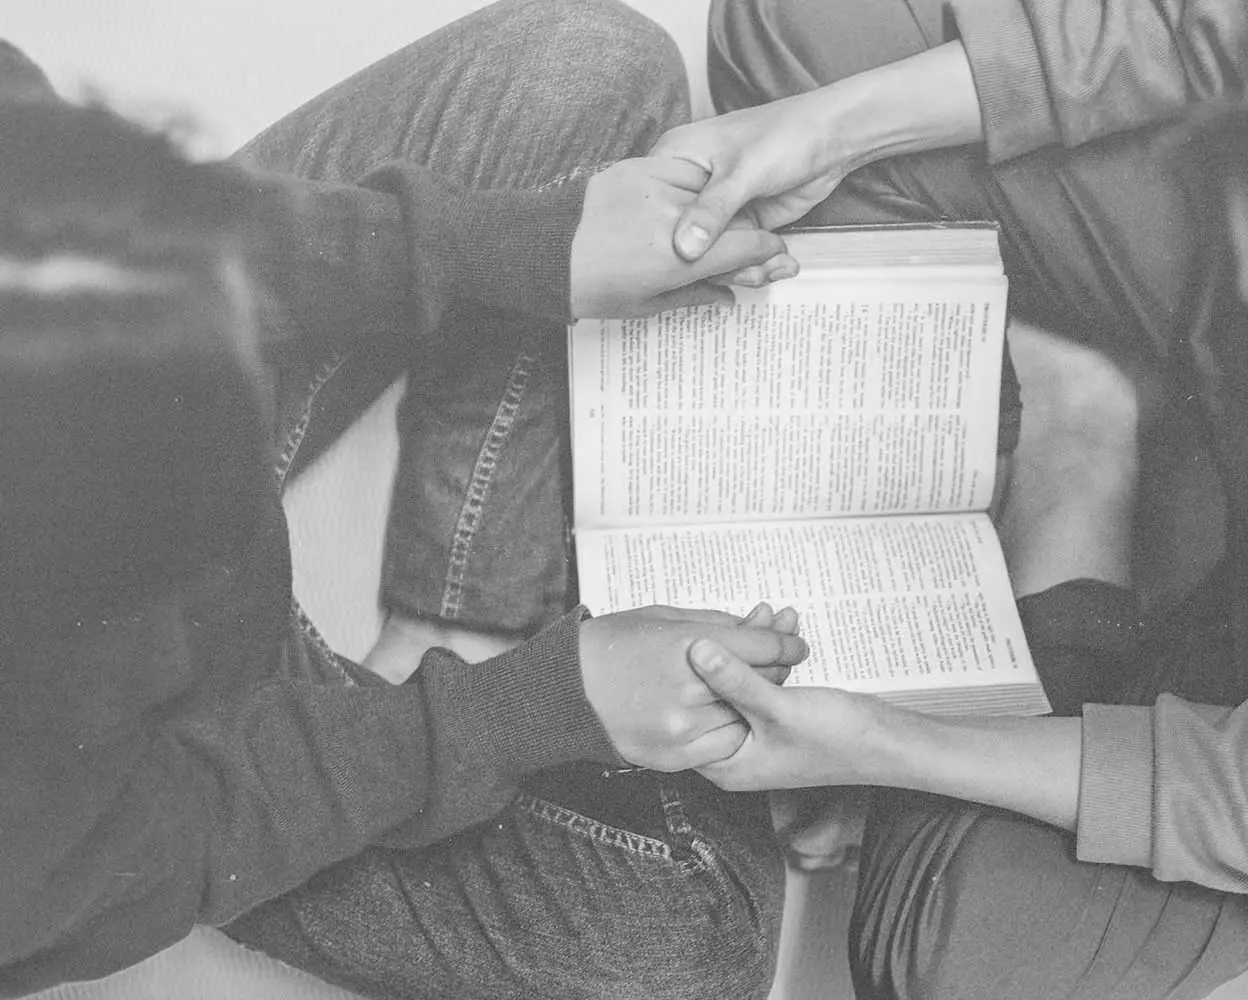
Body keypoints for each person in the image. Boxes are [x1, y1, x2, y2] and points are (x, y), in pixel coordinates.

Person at [652, 0, 1248, 997]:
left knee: (950, 965)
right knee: (801, 29)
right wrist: (836, 123)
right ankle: (1096, 377)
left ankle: (1082, 442)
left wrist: (893, 744)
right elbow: (1207, 30)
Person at [0, 3, 808, 998]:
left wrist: (494, 247)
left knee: (592, 67)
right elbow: (202, 820)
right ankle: (454, 653)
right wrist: (510, 714)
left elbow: (136, 217)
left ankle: (451, 616)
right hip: (154, 790)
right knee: (698, 943)